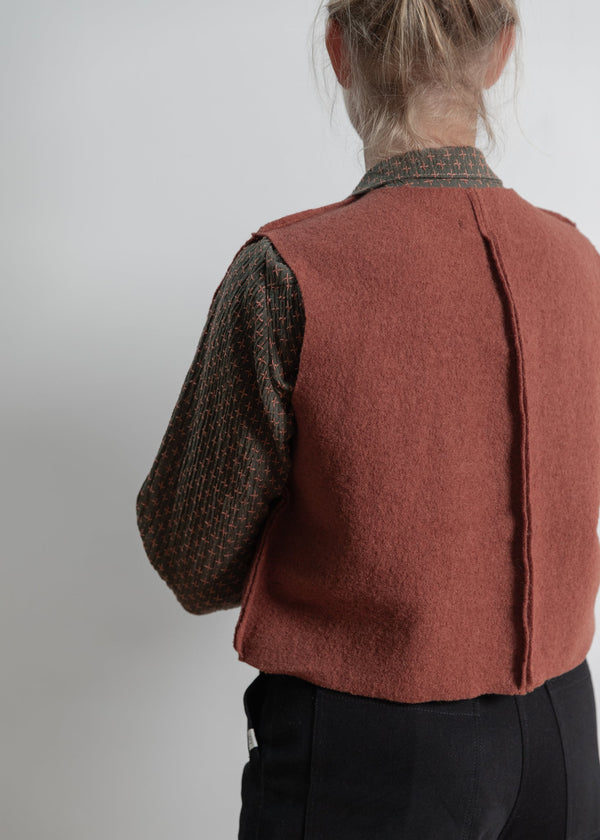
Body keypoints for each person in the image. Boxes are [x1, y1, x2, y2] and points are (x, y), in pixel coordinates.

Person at [135, 1, 600, 837]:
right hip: (565, 737)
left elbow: (191, 558)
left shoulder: (292, 273)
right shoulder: (580, 265)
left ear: (341, 48)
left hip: (372, 751)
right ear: (501, 54)